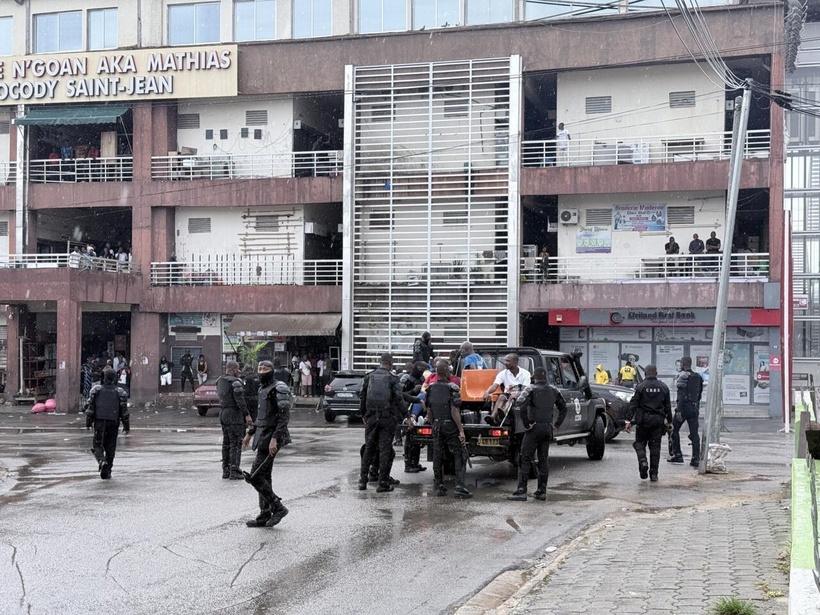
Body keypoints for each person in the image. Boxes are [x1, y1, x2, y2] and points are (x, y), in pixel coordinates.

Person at [242, 360, 292, 528]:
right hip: (261, 436)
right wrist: (249, 434)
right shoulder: (261, 388)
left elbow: (284, 417)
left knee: (255, 476)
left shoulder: (279, 387)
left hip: (272, 437)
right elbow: (261, 416)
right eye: (259, 368)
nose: (261, 371)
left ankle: (278, 508)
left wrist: (275, 438)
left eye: (265, 368)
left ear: (272, 370)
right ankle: (264, 514)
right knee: (264, 475)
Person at [507, 367, 567, 501]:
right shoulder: (553, 390)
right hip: (547, 428)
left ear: (535, 376)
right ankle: (541, 491)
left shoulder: (531, 389)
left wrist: (527, 424)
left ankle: (522, 490)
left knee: (524, 457)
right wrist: (556, 424)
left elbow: (520, 405)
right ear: (545, 376)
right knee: (543, 459)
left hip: (534, 428)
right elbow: (564, 407)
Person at [358, 354, 408, 492]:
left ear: (380, 363)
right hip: (387, 418)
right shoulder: (393, 378)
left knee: (369, 448)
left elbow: (362, 395)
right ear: (390, 364)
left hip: (371, 417)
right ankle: (383, 482)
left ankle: (362, 481)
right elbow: (398, 399)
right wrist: (407, 415)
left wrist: (363, 414)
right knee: (385, 450)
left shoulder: (369, 376)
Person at [427, 360, 472, 499]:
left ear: (436, 373)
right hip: (449, 424)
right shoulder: (452, 388)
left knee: (438, 454)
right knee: (459, 453)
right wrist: (461, 430)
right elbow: (454, 411)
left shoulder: (430, 388)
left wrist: (432, 422)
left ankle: (439, 485)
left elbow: (428, 410)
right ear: (447, 373)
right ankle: (459, 486)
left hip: (436, 424)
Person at [624, 365, 672, 482]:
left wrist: (628, 420)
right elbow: (668, 406)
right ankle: (654, 474)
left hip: (643, 420)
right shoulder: (664, 387)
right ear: (656, 373)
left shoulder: (641, 386)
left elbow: (633, 404)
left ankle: (643, 461)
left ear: (645, 373)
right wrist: (670, 421)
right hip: (658, 421)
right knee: (655, 447)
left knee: (639, 443)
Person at [85, 368, 130, 479]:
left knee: (98, 444)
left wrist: (88, 422)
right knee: (111, 446)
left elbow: (90, 409)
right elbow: (124, 412)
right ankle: (107, 469)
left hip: (100, 421)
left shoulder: (96, 390)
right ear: (115, 378)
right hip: (113, 421)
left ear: (104, 378)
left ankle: (101, 461)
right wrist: (126, 425)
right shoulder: (120, 392)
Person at [218, 361, 253, 480]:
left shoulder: (220, 381)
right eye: (238, 369)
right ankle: (234, 470)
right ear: (233, 369)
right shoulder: (235, 382)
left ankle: (226, 470)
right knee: (236, 442)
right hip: (234, 414)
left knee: (226, 442)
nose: (239, 371)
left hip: (223, 413)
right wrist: (247, 415)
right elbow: (240, 400)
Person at [669, 356, 704, 467]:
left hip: (683, 408)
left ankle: (678, 455)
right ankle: (695, 458)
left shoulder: (683, 376)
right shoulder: (698, 377)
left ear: (683, 364)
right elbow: (699, 394)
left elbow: (681, 394)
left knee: (673, 430)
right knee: (694, 433)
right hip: (694, 408)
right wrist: (696, 406)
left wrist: (679, 410)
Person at [483, 353, 531, 426]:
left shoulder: (525, 373)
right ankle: (493, 416)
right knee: (501, 397)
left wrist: (517, 394)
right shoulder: (503, 373)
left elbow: (525, 389)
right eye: (505, 361)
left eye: (508, 361)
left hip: (520, 395)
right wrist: (487, 392)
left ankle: (503, 411)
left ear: (515, 362)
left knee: (512, 397)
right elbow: (494, 386)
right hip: (507, 394)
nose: (505, 363)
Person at [401, 361, 429, 473]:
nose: (422, 370)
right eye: (420, 368)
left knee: (417, 441)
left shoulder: (423, 379)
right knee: (410, 439)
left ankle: (415, 463)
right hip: (409, 411)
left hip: (419, 412)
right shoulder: (408, 379)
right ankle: (408, 464)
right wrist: (413, 391)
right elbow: (401, 394)